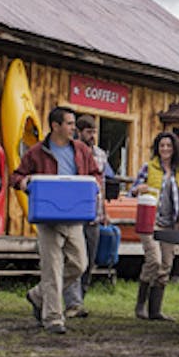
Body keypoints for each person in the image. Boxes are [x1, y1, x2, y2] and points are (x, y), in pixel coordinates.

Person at [9, 106, 102, 334]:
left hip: (74, 215)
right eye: (69, 124)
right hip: (48, 216)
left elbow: (95, 173)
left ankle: (38, 294)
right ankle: (53, 318)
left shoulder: (81, 150)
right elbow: (16, 176)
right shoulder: (37, 152)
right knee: (52, 267)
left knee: (79, 264)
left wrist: (95, 185)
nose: (73, 128)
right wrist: (25, 183)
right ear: (55, 126)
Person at [130, 130, 179, 321]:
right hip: (150, 222)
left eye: (168, 146)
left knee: (165, 265)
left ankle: (155, 310)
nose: (165, 149)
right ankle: (140, 305)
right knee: (154, 261)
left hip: (170, 224)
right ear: (157, 149)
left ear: (174, 149)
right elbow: (132, 190)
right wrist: (137, 190)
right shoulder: (148, 167)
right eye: (162, 146)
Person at [63, 115, 112, 315]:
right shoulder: (71, 152)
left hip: (95, 214)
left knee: (89, 260)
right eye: (88, 132)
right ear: (79, 132)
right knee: (75, 258)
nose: (92, 136)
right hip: (75, 214)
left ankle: (80, 299)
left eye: (94, 132)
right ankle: (72, 303)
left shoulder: (100, 155)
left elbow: (102, 185)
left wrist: (106, 212)